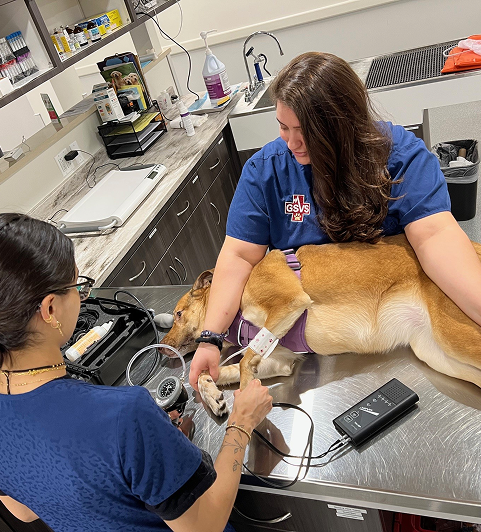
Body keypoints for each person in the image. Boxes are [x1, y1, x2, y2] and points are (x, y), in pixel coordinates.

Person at [0, 213, 272, 532]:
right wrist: (241, 424)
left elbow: (23, 511)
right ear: (50, 310)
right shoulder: (124, 415)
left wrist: (153, 456)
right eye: (76, 284)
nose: (81, 294)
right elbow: (205, 526)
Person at [190, 51, 481, 389]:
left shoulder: (399, 156)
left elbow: (435, 237)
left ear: (346, 126)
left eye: (306, 132)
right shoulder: (266, 172)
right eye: (284, 127)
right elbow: (238, 256)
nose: (292, 142)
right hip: (318, 343)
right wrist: (210, 338)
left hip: (398, 317)